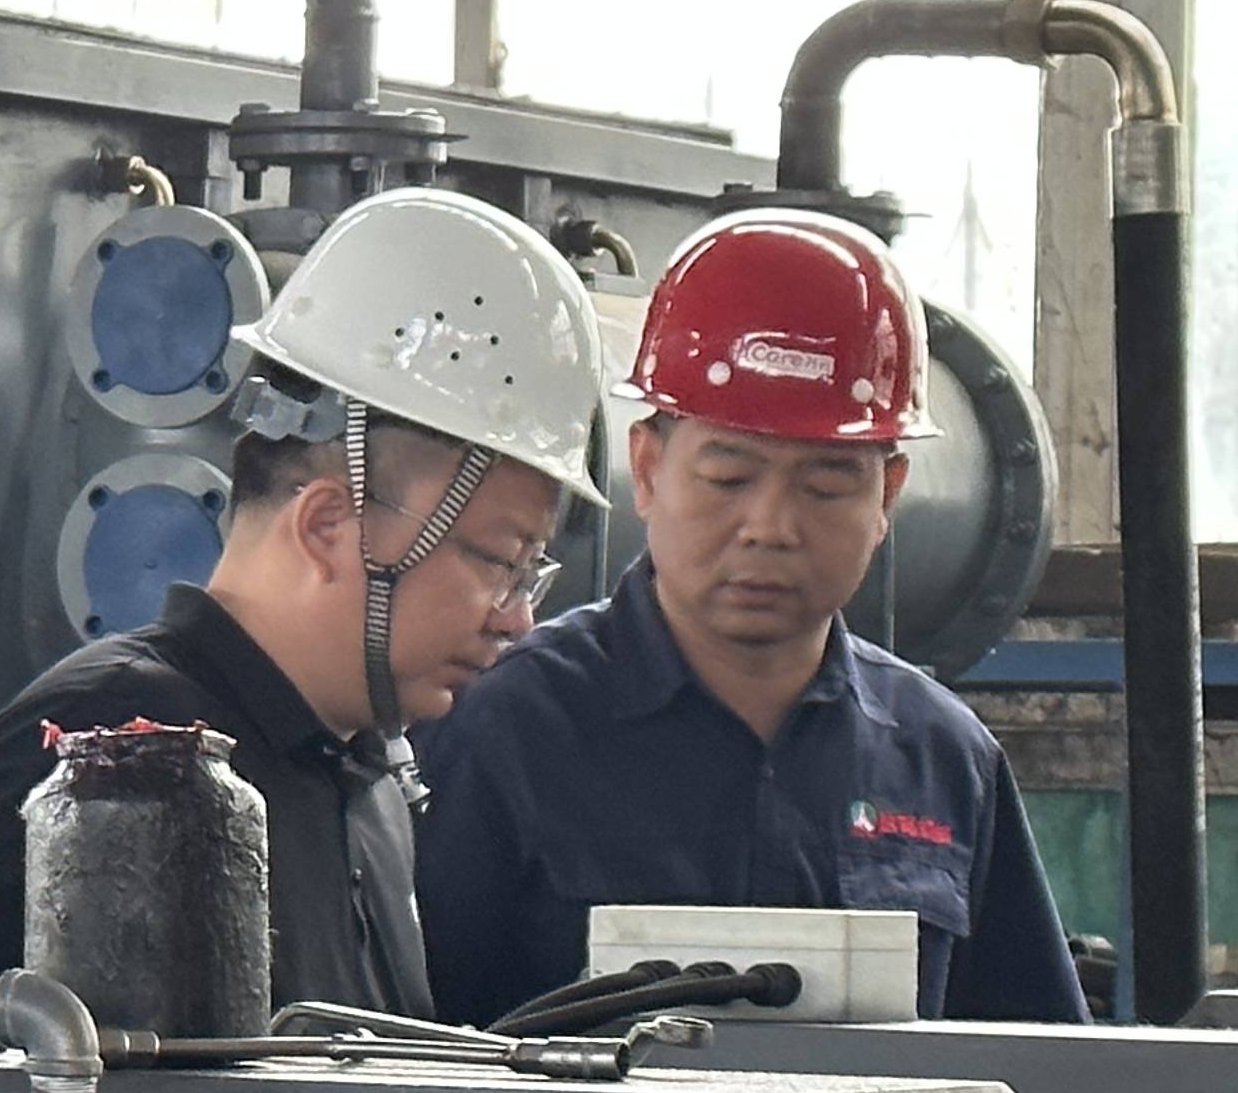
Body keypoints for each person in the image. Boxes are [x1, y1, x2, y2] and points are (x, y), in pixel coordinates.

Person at [0, 185, 609, 1016]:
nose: (517, 617)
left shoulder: (364, 781)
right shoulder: (118, 753)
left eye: (531, 574)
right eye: (498, 561)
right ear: (325, 525)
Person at [415, 207, 1086, 1025]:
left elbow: (1031, 1059)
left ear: (888, 496)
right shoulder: (503, 730)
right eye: (729, 478)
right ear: (647, 469)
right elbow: (407, 1048)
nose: (770, 526)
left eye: (826, 486)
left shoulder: (941, 758)